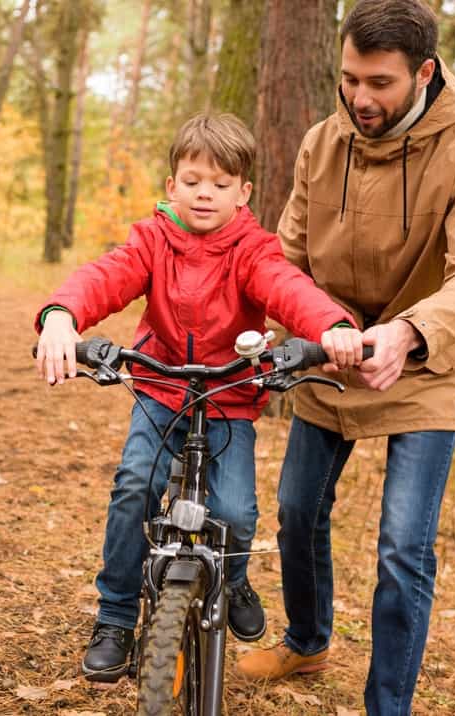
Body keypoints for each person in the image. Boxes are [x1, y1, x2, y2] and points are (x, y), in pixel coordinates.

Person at [235, 2, 455, 715]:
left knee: (401, 546)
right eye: (350, 78)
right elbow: (288, 257)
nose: (361, 98)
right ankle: (307, 640)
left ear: (423, 73)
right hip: (331, 351)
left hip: (427, 360)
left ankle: (386, 706)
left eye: (381, 83)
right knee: (298, 512)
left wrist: (409, 333)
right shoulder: (321, 142)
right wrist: (308, 326)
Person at [34, 113, 363, 683]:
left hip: (230, 395)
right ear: (172, 187)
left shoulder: (252, 250)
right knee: (136, 485)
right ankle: (114, 618)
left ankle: (232, 579)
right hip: (161, 390)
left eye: (219, 183)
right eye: (192, 181)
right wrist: (61, 316)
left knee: (236, 513)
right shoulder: (152, 241)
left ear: (244, 192)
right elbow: (105, 276)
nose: (204, 193)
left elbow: (288, 289)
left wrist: (331, 325)